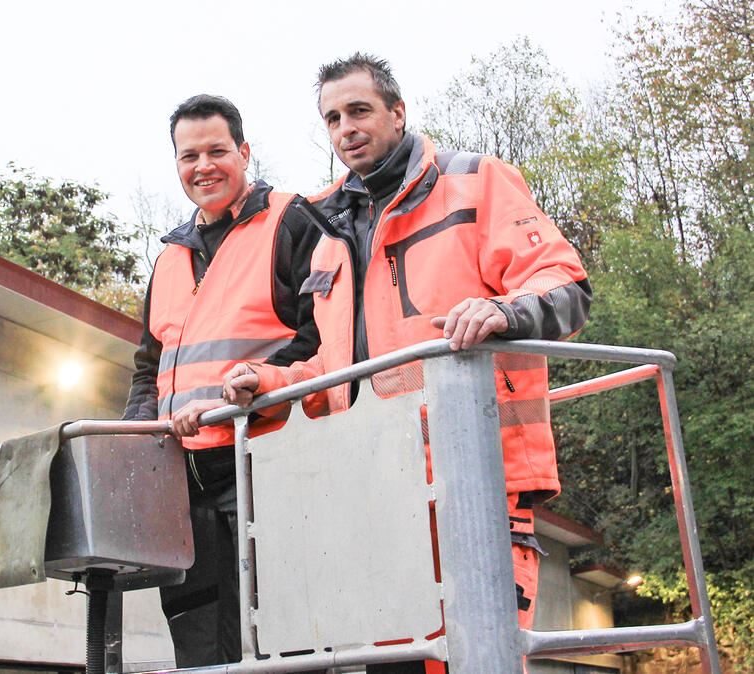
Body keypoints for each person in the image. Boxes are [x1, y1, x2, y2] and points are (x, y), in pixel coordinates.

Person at [222, 54, 592, 672]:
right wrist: (269, 381)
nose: (346, 129)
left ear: (397, 112)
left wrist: (501, 311)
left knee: (477, 660)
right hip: (373, 492)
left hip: (476, 480)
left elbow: (565, 286)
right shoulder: (328, 227)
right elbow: (335, 366)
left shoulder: (477, 181)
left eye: (359, 111)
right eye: (333, 118)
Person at [123, 94, 322, 666]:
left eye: (217, 151)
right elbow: (148, 368)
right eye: (189, 156)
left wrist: (242, 390)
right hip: (185, 479)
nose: (203, 166)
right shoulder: (168, 257)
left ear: (245, 152)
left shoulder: (290, 221)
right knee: (201, 644)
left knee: (282, 637)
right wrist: (137, 437)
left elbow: (320, 335)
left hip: (266, 462)